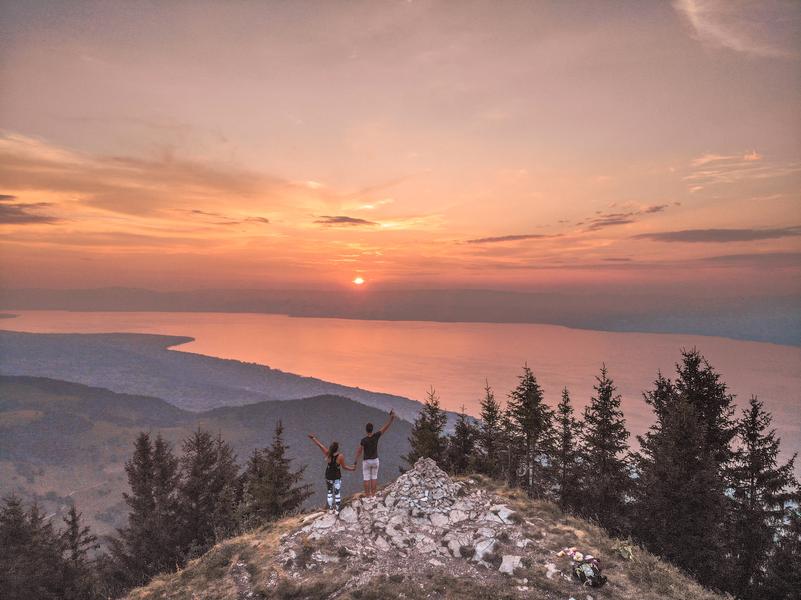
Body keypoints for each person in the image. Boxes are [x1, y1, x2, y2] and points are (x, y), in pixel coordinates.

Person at [308, 434, 355, 513]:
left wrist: (313, 438)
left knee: (329, 492)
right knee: (337, 493)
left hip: (328, 476)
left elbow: (320, 445)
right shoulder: (340, 456)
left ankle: (330, 509)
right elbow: (344, 467)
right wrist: (352, 469)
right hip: (337, 477)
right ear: (337, 448)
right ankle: (337, 509)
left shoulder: (328, 454)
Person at [355, 410, 395, 497]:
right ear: (372, 429)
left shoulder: (363, 440)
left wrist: (356, 460)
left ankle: (367, 495)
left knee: (366, 478)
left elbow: (359, 451)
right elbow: (385, 428)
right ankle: (373, 495)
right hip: (375, 460)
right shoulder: (376, 436)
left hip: (366, 461)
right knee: (374, 477)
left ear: (366, 430)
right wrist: (391, 419)